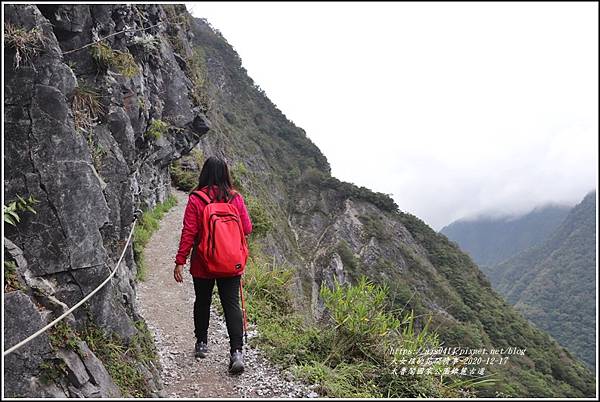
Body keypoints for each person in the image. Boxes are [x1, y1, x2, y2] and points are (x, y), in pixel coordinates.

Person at [173, 156, 252, 374]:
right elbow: (246, 228)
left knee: (202, 301)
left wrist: (180, 261)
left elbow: (188, 232)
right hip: (230, 262)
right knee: (231, 304)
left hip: (203, 262)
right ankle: (236, 352)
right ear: (226, 173)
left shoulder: (196, 199)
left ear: (204, 173)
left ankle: (201, 343)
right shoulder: (235, 198)